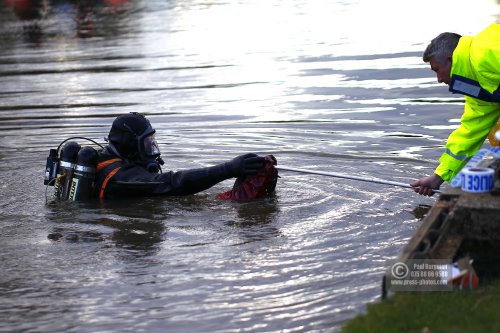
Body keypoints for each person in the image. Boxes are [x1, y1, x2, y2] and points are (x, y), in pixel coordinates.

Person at [411, 23, 500, 196]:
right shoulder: (478, 89)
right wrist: (438, 177)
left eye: (437, 70)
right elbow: (470, 132)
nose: (438, 79)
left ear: (451, 59)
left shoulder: (486, 50)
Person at [95, 112, 266, 199]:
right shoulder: (118, 177)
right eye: (147, 144)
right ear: (130, 146)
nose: (152, 150)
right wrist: (229, 169)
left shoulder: (108, 157)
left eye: (152, 141)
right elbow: (174, 183)